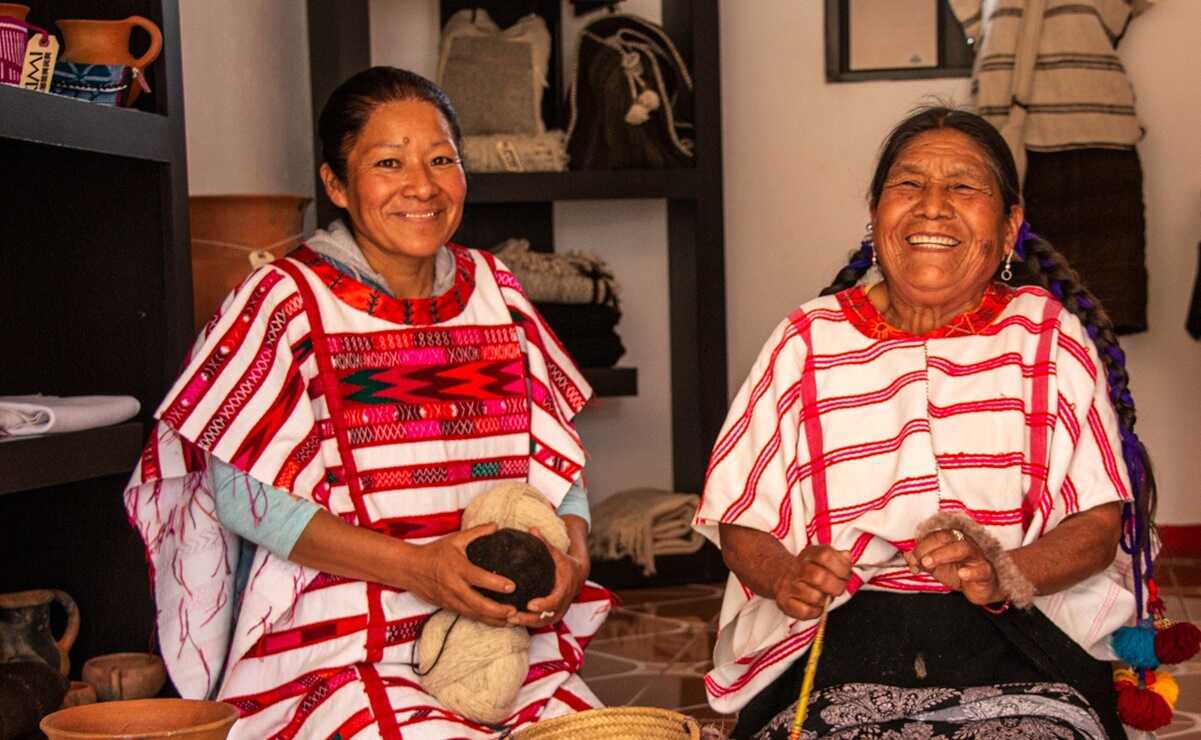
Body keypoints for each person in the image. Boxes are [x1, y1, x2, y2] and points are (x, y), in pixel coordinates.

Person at [125, 67, 611, 738]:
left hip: (500, 640)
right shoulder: (283, 301)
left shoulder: (494, 288)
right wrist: (419, 569)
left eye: (442, 159)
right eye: (389, 163)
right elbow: (246, 499)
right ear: (335, 183)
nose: (422, 185)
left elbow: (557, 463)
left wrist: (572, 558)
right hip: (340, 647)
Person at [694, 107, 1156, 739]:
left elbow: (1098, 527)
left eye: (964, 187)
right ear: (875, 213)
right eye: (907, 185)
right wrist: (786, 575)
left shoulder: (1047, 335)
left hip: (1019, 636)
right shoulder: (807, 338)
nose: (932, 207)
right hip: (836, 637)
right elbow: (741, 517)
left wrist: (1006, 570)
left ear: (1009, 225)